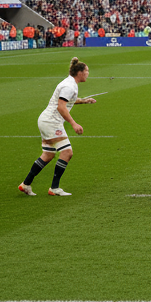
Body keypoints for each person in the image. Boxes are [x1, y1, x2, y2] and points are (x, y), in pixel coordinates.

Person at [18, 56, 97, 197]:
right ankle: (54, 188)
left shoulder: (70, 83)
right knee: (67, 153)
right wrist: (74, 123)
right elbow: (61, 106)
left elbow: (66, 101)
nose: (88, 73)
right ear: (79, 72)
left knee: (48, 155)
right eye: (87, 71)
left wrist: (85, 101)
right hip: (51, 122)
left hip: (46, 120)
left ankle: (26, 184)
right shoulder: (69, 86)